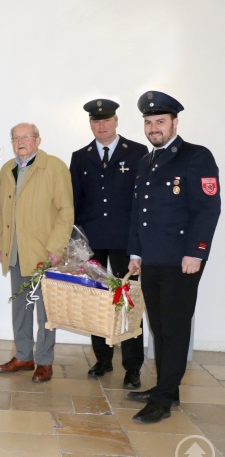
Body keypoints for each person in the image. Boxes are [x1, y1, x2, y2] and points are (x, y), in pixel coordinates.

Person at [127, 91, 221, 423]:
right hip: (151, 258)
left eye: (160, 122)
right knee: (160, 328)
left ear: (174, 123)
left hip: (182, 260)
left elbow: (208, 209)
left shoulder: (196, 157)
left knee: (175, 328)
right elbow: (140, 212)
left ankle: (163, 400)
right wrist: (135, 252)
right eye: (149, 123)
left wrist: (196, 252)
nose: (154, 128)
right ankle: (168, 387)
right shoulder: (145, 161)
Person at [69, 99, 148, 389]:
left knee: (128, 301)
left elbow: (143, 201)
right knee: (97, 299)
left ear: (115, 121)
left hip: (127, 242)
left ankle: (133, 367)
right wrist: (75, 243)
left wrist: (139, 241)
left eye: (106, 120)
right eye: (95, 121)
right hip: (93, 241)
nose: (100, 126)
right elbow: (74, 202)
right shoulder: (80, 156)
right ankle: (103, 359)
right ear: (90, 124)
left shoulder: (137, 152)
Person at [0, 122, 74, 383]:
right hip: (15, 251)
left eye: (26, 137)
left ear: (38, 140)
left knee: (46, 311)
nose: (20, 141)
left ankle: (44, 360)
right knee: (20, 307)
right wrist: (0, 245)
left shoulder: (54, 166)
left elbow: (66, 211)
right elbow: (1, 211)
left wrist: (56, 247)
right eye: (15, 137)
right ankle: (24, 355)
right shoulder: (8, 169)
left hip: (44, 252)